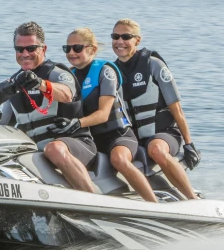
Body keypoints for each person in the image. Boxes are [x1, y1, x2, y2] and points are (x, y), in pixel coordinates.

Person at [1, 21, 97, 193]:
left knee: (54, 149)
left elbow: (66, 93)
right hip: (37, 153)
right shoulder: (15, 84)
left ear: (42, 49)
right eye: (19, 49)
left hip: (75, 145)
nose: (25, 53)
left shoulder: (57, 73)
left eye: (31, 48)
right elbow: (2, 125)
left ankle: (95, 203)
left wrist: (40, 84)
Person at [64, 28, 158, 203]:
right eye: (67, 49)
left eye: (77, 48)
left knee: (118, 159)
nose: (71, 53)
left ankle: (155, 205)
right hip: (90, 140)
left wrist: (76, 123)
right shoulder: (68, 76)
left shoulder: (105, 71)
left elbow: (103, 115)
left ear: (92, 49)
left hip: (118, 135)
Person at [112, 18, 201, 200]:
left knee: (156, 150)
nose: (119, 41)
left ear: (137, 40)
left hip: (165, 134)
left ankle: (193, 199)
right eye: (115, 36)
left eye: (126, 36)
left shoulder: (153, 64)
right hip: (135, 138)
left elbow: (177, 109)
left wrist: (189, 144)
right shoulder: (112, 71)